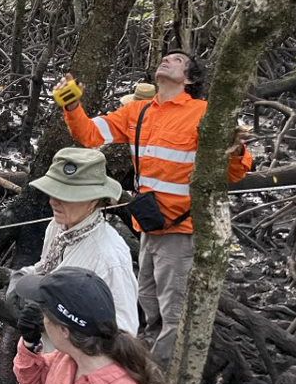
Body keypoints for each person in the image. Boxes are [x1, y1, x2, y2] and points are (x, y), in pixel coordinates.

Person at [55, 50, 253, 367]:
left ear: (189, 78)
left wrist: (236, 148)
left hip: (182, 231)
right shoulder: (140, 111)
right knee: (148, 303)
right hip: (149, 225)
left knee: (174, 313)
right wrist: (71, 104)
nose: (166, 60)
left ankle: (158, 382)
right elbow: (90, 135)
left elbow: (235, 172)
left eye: (176, 60)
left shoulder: (205, 114)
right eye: (165, 57)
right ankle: (141, 366)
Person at [7, 148, 138, 384]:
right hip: (43, 366)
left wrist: (54, 315)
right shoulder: (58, 225)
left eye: (67, 195)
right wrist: (21, 280)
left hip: (80, 380)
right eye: (53, 191)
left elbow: (125, 331)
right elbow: (47, 266)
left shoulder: (109, 256)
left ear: (94, 200)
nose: (54, 201)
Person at [12, 267, 174, 384]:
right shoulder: (66, 360)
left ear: (64, 330)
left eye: (45, 315)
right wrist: (30, 343)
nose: (43, 320)